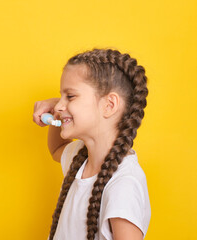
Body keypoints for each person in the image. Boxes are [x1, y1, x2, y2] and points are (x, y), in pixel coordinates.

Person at [33, 49, 151, 240]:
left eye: (70, 96)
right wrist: (57, 110)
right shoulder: (81, 156)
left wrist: (61, 111)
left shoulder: (123, 186)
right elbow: (56, 149)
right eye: (60, 96)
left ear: (109, 105)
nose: (60, 105)